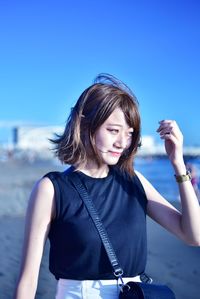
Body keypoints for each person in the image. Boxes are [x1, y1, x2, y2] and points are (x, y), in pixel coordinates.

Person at [14, 74, 200, 299]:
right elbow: (28, 280)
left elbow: (193, 235)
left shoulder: (134, 181)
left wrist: (178, 163)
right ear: (85, 124)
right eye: (113, 130)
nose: (122, 142)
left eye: (129, 134)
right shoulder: (52, 189)